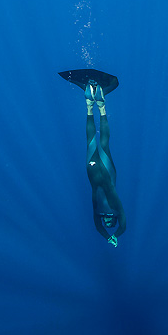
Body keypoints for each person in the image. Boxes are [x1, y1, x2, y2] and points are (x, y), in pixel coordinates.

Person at [59, 69, 127, 246]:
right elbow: (110, 226)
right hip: (96, 168)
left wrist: (112, 236)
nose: (106, 221)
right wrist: (113, 236)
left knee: (101, 142)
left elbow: (107, 226)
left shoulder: (108, 211)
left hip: (102, 170)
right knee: (94, 141)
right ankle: (92, 106)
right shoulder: (104, 211)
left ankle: (97, 107)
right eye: (109, 221)